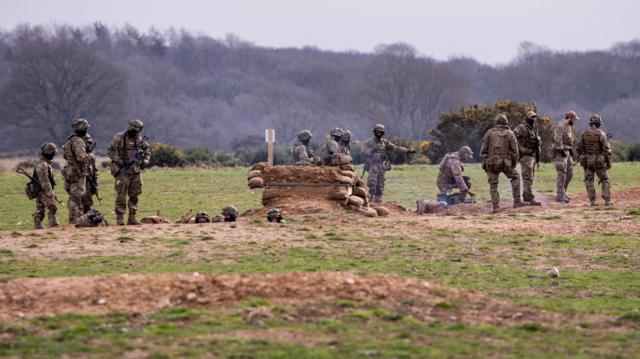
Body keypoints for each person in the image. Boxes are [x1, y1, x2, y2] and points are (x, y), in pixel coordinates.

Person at [107, 119, 151, 225]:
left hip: (135, 171)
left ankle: (132, 218)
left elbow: (147, 152)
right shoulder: (119, 137)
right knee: (121, 195)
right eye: (135, 130)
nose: (136, 132)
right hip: (123, 171)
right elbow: (110, 151)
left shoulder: (140, 140)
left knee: (134, 195)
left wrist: (146, 160)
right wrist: (119, 161)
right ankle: (120, 218)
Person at [480, 114, 523, 213]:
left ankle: (496, 207)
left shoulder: (489, 133)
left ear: (496, 122)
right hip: (506, 163)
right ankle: (517, 202)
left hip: (492, 163)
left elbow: (483, 151)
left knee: (493, 184)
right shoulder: (510, 133)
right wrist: (513, 163)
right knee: (515, 177)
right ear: (506, 122)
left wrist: (485, 163)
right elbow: (515, 152)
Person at [362, 124, 415, 203]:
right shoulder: (369, 142)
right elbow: (363, 152)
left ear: (383, 133)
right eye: (377, 132)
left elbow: (395, 148)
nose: (379, 134)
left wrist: (407, 151)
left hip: (381, 166)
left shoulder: (385, 142)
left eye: (381, 132)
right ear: (374, 132)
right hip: (372, 165)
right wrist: (372, 149)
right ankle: (370, 202)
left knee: (380, 185)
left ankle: (378, 202)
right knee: (372, 184)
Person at [577, 115, 613, 206]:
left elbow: (579, 148)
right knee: (605, 179)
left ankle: (592, 201)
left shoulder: (583, 133)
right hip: (599, 162)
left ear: (590, 123)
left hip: (587, 162)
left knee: (589, 180)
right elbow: (607, 151)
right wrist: (608, 163)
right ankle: (607, 201)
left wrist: (584, 155)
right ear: (599, 124)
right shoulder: (602, 134)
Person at [62, 119, 91, 224]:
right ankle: (74, 221)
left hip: (70, 170)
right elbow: (81, 158)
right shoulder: (78, 141)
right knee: (76, 197)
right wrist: (89, 155)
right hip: (78, 171)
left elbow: (65, 155)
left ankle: (76, 219)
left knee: (73, 196)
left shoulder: (69, 140)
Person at [514, 111, 542, 206]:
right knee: (527, 177)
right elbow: (514, 137)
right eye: (531, 117)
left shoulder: (533, 129)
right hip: (525, 156)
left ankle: (526, 195)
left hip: (532, 155)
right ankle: (530, 197)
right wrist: (521, 148)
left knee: (530, 177)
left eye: (534, 117)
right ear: (527, 117)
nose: (533, 119)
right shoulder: (521, 128)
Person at [552, 111, 579, 203]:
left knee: (570, 173)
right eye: (574, 119)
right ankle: (560, 195)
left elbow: (568, 140)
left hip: (567, 151)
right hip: (560, 153)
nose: (575, 121)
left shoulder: (569, 127)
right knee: (562, 173)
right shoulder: (561, 126)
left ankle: (563, 192)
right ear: (570, 118)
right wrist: (560, 149)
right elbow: (557, 139)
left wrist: (570, 150)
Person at [33, 143, 60, 229]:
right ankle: (53, 224)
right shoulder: (42, 165)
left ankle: (38, 222)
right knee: (52, 207)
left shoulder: (44, 163)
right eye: (53, 153)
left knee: (41, 209)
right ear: (49, 153)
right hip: (43, 190)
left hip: (42, 190)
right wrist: (50, 193)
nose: (54, 155)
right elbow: (44, 181)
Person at [82, 134, 100, 212]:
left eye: (89, 143)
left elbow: (94, 171)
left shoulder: (91, 156)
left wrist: (95, 183)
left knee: (88, 202)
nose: (88, 145)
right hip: (80, 181)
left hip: (89, 182)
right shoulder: (79, 156)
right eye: (87, 143)